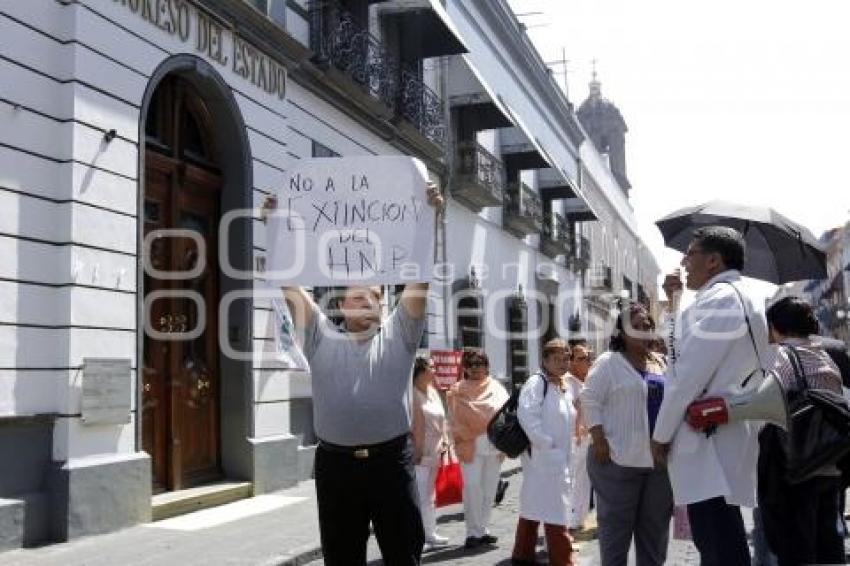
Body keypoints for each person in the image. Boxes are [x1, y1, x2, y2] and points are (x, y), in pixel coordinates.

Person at [274, 182, 443, 566]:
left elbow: (420, 280)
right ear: (341, 306)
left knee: (403, 557)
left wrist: (429, 218)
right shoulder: (318, 336)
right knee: (341, 559)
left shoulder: (400, 335)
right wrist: (277, 226)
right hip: (336, 469)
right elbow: (287, 283)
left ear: (385, 306)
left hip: (391, 466)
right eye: (355, 296)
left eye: (374, 296)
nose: (365, 299)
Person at [651, 226, 770, 566]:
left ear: (714, 260)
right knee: (715, 541)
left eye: (691, 254)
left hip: (710, 440)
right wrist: (673, 303)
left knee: (720, 545)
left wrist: (660, 435)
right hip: (714, 437)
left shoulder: (722, 300)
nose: (684, 262)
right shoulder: (724, 297)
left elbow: (685, 378)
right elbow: (678, 358)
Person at [581, 303, 673, 566]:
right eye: (637, 326)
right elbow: (589, 399)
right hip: (617, 461)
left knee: (655, 534)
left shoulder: (660, 362)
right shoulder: (609, 362)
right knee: (615, 535)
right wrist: (598, 440)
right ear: (621, 331)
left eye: (648, 326)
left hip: (658, 464)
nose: (644, 330)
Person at [757, 296, 845, 566]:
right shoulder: (825, 357)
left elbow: (763, 400)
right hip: (828, 465)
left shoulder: (782, 356)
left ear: (775, 326)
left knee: (796, 551)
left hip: (794, 469)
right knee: (828, 549)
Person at [511, 338, 577, 566]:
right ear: (545, 360)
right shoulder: (536, 383)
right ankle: (563, 560)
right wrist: (546, 444)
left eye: (566, 358)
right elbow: (527, 416)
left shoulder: (562, 384)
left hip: (557, 457)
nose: (562, 363)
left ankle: (522, 555)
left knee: (535, 505)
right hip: (543, 458)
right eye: (556, 359)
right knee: (556, 509)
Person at [447, 349, 509, 549]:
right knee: (472, 488)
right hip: (469, 445)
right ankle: (472, 532)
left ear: (487, 366)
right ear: (465, 367)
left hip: (493, 445)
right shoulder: (457, 390)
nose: (475, 368)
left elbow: (505, 415)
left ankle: (483, 529)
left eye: (479, 364)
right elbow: (454, 420)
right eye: (470, 364)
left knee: (489, 490)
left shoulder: (498, 388)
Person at [411, 356, 451, 552]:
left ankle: (430, 533)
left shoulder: (433, 392)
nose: (435, 370)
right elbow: (413, 427)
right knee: (418, 496)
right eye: (431, 367)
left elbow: (443, 419)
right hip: (419, 451)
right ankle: (418, 537)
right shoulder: (412, 394)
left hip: (436, 450)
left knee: (429, 494)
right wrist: (416, 451)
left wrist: (445, 439)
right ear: (421, 370)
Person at [567, 342, 593, 532]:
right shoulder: (568, 382)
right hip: (574, 438)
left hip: (589, 436)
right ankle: (570, 519)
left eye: (588, 357)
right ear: (572, 362)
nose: (587, 361)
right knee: (574, 479)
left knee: (585, 479)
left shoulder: (588, 380)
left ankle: (580, 517)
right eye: (582, 358)